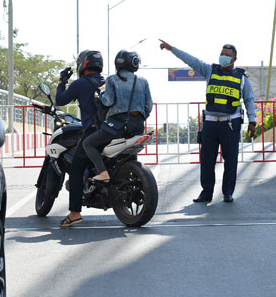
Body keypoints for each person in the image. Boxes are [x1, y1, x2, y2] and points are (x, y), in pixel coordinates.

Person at [60, 50, 153, 227]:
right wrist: (138, 117)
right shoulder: (143, 81)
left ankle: (78, 208)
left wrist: (100, 98)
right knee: (127, 155)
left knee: (87, 145)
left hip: (116, 125)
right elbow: (148, 106)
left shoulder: (112, 79)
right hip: (138, 125)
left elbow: (108, 100)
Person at [159, 39, 256, 203]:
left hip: (230, 123)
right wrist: (172, 49)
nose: (223, 57)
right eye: (221, 54)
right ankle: (206, 192)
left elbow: (249, 99)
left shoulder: (242, 77)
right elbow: (191, 60)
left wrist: (252, 121)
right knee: (207, 160)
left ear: (234, 59)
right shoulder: (210, 70)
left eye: (227, 55)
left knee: (230, 160)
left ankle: (227, 192)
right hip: (210, 123)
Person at [55, 50, 106, 227]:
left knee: (76, 168)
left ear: (83, 64)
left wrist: (62, 81)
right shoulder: (107, 82)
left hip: (92, 132)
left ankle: (75, 213)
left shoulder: (80, 84)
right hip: (111, 131)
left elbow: (60, 100)